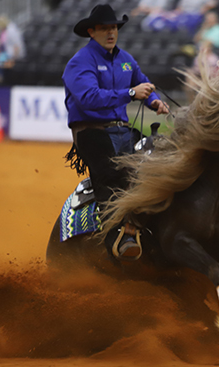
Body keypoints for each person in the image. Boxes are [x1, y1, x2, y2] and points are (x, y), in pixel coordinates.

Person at [62, 4, 169, 260]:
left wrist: (153, 101)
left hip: (122, 130)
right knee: (111, 175)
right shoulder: (79, 62)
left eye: (113, 28)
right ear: (91, 31)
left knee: (163, 160)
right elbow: (88, 98)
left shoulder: (126, 59)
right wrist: (131, 94)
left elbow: (140, 80)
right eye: (104, 28)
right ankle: (117, 238)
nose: (110, 33)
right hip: (91, 131)